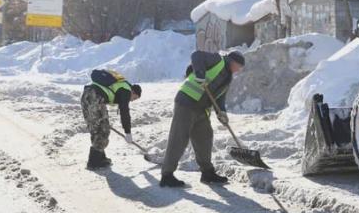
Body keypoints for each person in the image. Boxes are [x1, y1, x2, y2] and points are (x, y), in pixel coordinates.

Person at [160, 50, 245, 187]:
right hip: (187, 101)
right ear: (233, 61)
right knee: (179, 138)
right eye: (239, 67)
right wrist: (200, 74)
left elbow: (219, 98)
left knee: (205, 138)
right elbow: (197, 55)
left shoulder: (228, 78)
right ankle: (167, 175)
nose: (238, 70)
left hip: (201, 109)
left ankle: (207, 173)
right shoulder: (218, 60)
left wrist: (222, 112)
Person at [81, 69, 142, 170]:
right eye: (134, 98)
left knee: (96, 128)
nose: (132, 100)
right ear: (133, 92)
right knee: (103, 130)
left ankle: (100, 158)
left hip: (86, 96)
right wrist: (128, 132)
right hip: (95, 97)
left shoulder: (120, 86)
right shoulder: (125, 90)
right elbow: (124, 111)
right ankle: (94, 161)